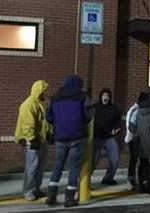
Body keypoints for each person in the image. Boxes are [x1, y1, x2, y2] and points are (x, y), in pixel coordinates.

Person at [45, 74, 92, 207]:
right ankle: (69, 198)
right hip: (78, 137)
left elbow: (49, 117)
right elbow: (88, 116)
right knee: (74, 167)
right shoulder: (83, 97)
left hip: (60, 137)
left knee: (58, 165)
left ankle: (51, 195)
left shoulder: (54, 98)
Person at [14, 80, 52, 201]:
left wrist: (49, 134)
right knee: (32, 166)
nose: (46, 93)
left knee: (40, 166)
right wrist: (32, 139)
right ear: (39, 91)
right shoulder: (28, 105)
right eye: (44, 91)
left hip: (41, 139)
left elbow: (47, 122)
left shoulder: (43, 104)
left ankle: (36, 188)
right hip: (31, 141)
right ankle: (28, 191)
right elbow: (27, 125)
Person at [92, 88, 122, 185]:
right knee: (94, 160)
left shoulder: (113, 108)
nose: (105, 97)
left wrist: (116, 129)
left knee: (115, 158)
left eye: (107, 96)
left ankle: (108, 178)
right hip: (97, 137)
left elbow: (118, 122)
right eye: (104, 95)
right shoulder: (95, 108)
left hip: (109, 137)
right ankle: (85, 180)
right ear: (101, 97)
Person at [124, 91, 149, 189]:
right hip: (134, 139)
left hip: (137, 138)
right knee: (135, 159)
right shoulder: (135, 110)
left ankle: (139, 179)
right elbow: (131, 126)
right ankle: (132, 179)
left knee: (139, 160)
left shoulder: (138, 109)